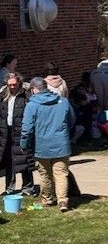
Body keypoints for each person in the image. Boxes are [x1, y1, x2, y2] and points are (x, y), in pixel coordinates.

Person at [20, 77, 75, 211]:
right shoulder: (63, 101)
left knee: (44, 174)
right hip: (61, 143)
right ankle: (62, 200)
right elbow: (72, 120)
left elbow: (27, 128)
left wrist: (24, 144)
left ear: (34, 89)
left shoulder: (32, 105)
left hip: (41, 145)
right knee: (61, 173)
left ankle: (48, 198)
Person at [0, 73, 35, 195]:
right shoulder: (3, 95)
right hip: (7, 132)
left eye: (14, 84)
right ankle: (9, 188)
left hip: (21, 131)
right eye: (10, 85)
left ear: (19, 82)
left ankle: (28, 187)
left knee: (25, 159)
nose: (12, 87)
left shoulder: (25, 95)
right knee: (9, 161)